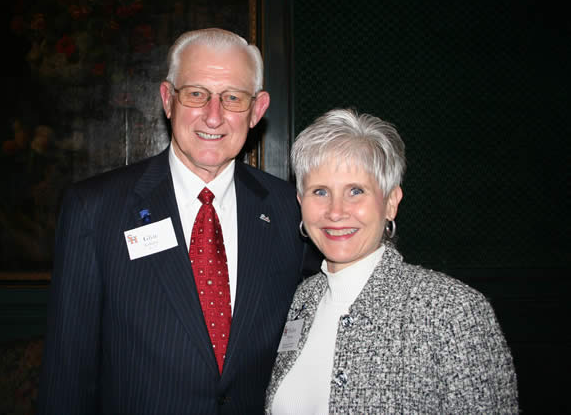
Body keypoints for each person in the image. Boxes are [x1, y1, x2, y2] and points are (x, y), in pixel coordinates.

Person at [37, 28, 312, 414]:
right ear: (168, 100)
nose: (213, 116)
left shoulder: (291, 210)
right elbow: (67, 376)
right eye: (196, 94)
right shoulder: (95, 210)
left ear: (257, 109)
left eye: (232, 98)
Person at [265, 108, 518, 414]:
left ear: (391, 202)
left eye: (355, 191)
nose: (335, 212)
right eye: (320, 192)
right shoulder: (303, 300)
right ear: (300, 202)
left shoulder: (453, 311)